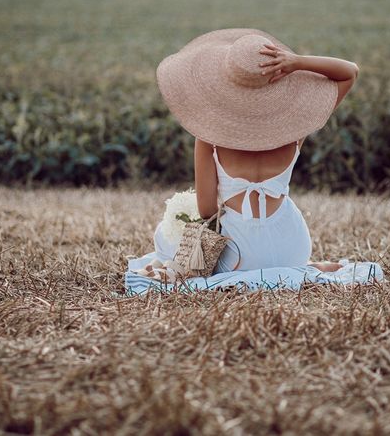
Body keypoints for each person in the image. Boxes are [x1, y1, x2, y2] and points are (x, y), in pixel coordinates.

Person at [130, 27, 359, 284]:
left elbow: (207, 210)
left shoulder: (209, 136)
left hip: (239, 257)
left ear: (225, 83)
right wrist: (296, 63)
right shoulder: (295, 130)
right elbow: (349, 72)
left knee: (166, 235)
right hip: (292, 249)